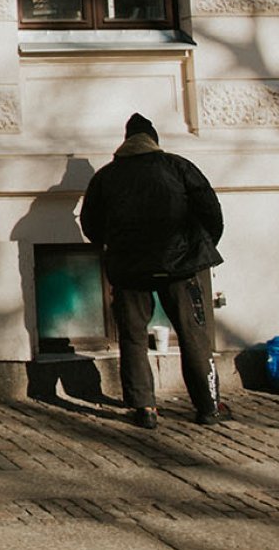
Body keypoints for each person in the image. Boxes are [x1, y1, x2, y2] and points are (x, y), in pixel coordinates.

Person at [80, 113, 227, 429]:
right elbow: (211, 211)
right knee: (194, 336)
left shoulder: (106, 177)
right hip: (183, 267)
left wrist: (116, 247)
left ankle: (144, 408)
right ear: (154, 140)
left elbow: (91, 226)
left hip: (130, 269)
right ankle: (208, 407)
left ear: (125, 142)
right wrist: (200, 247)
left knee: (133, 338)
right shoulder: (178, 166)